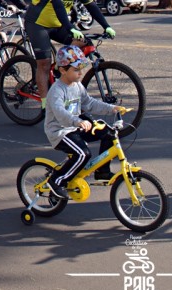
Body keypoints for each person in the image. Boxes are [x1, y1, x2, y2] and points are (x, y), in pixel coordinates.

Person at [45, 45, 126, 199]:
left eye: (81, 68)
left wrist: (112, 108)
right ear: (62, 70)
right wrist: (78, 121)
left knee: (108, 133)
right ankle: (57, 180)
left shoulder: (77, 86)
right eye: (76, 70)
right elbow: (61, 114)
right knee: (83, 154)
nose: (81, 73)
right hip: (60, 132)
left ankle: (102, 171)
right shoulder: (56, 91)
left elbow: (89, 103)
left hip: (75, 126)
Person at [24, 0, 116, 109]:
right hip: (37, 24)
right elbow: (58, 6)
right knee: (44, 63)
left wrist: (106, 26)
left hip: (58, 24)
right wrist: (70, 28)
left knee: (83, 42)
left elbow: (91, 5)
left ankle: (59, 70)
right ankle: (46, 105)